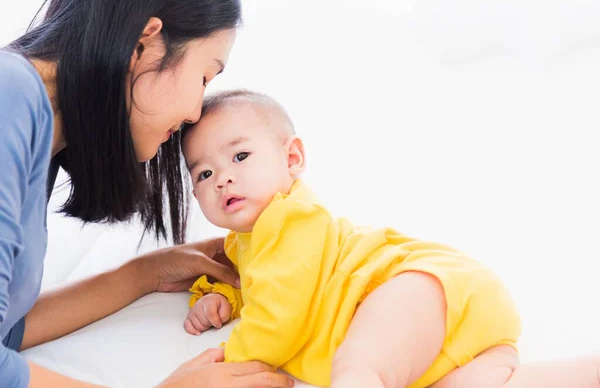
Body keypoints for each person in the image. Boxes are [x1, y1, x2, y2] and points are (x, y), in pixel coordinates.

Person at [180, 89, 600, 388]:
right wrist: (218, 299)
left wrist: (227, 363)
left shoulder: (292, 219)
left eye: (239, 156)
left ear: (292, 159)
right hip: (436, 332)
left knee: (360, 369)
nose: (223, 178)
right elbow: (253, 283)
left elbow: (279, 314)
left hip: (411, 289)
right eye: (204, 173)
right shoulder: (243, 246)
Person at [0, 0, 294, 387]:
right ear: (146, 42)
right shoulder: (10, 96)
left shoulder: (40, 129)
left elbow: (6, 333)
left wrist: (144, 275)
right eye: (204, 76)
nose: (194, 112)